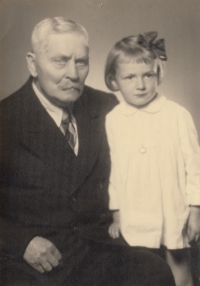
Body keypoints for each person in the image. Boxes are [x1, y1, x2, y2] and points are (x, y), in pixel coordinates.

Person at [0, 18, 176, 286]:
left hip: (100, 247)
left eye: (81, 62)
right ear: (33, 64)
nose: (73, 73)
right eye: (60, 61)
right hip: (34, 260)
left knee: (155, 272)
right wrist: (21, 241)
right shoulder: (5, 119)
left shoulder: (106, 105)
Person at [105, 31, 200, 286]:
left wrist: (195, 209)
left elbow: (195, 167)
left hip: (172, 206)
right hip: (135, 208)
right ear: (114, 80)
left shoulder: (177, 115)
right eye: (130, 77)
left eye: (148, 75)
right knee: (143, 270)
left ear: (159, 73)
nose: (141, 85)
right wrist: (116, 212)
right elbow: (114, 168)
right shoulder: (113, 119)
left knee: (179, 268)